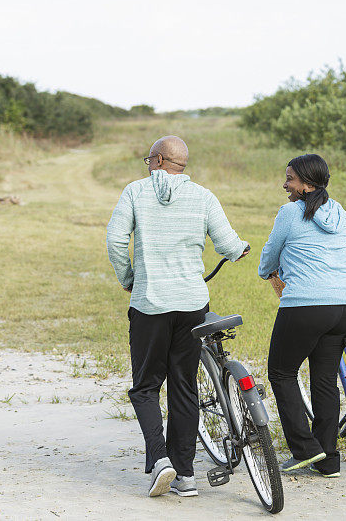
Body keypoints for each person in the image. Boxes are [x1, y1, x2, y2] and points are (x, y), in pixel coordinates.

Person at [106, 135, 250, 497]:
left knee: (145, 388)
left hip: (150, 305)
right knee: (184, 387)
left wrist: (128, 279)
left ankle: (160, 461)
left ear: (155, 160)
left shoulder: (135, 192)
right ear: (181, 165)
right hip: (192, 306)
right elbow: (229, 245)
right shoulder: (203, 196)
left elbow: (114, 240)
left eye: (147, 160)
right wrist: (241, 250)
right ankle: (185, 475)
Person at [258, 153, 346, 478]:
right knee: (324, 379)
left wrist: (266, 271)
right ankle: (328, 460)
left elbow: (270, 253)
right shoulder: (337, 210)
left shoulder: (289, 213)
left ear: (307, 184)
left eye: (290, 179)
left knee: (281, 373)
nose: (285, 184)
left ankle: (307, 450)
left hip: (306, 307)